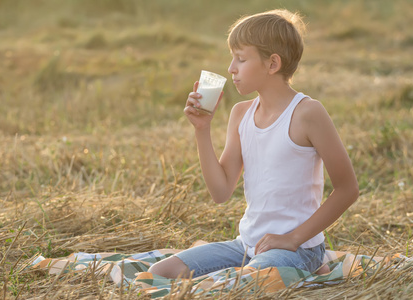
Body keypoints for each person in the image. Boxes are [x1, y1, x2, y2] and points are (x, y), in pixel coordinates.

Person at [148, 9, 359, 278]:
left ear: (272, 64)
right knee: (161, 271)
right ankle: (280, 271)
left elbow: (347, 189)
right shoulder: (241, 114)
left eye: (241, 59)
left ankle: (312, 262)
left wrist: (294, 238)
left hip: (298, 248)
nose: (231, 68)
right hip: (247, 245)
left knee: (241, 284)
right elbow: (221, 192)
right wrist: (202, 129)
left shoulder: (308, 113)